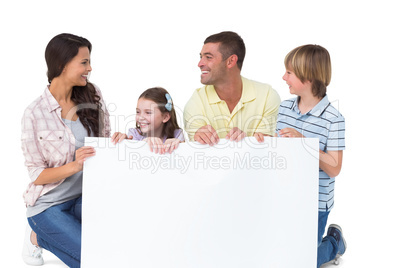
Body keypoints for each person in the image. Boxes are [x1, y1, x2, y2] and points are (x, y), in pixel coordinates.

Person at [21, 33, 110, 267]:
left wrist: (120, 141)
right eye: (84, 62)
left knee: (114, 247)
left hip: (86, 197)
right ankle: (38, 234)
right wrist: (74, 166)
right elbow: (36, 174)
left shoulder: (93, 94)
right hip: (49, 206)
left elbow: (106, 142)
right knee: (93, 260)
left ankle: (42, 239)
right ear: (62, 64)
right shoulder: (34, 113)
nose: (90, 68)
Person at [275, 44, 346, 267]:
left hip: (315, 202)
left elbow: (334, 167)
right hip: (285, 194)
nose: (283, 77)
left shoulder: (334, 119)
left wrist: (304, 144)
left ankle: (334, 242)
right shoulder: (284, 108)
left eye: (289, 73)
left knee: (305, 261)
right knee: (278, 251)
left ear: (308, 78)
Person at [183, 31, 281, 145]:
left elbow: (265, 148)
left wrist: (246, 141)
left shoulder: (267, 96)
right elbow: (200, 154)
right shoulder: (196, 102)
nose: (200, 63)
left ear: (231, 61)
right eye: (201, 57)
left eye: (208, 57)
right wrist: (199, 137)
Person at [111, 87, 184, 154]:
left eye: (148, 112)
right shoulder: (134, 134)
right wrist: (142, 144)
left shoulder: (177, 134)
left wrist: (179, 146)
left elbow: (184, 156)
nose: (141, 117)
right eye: (138, 112)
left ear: (165, 117)